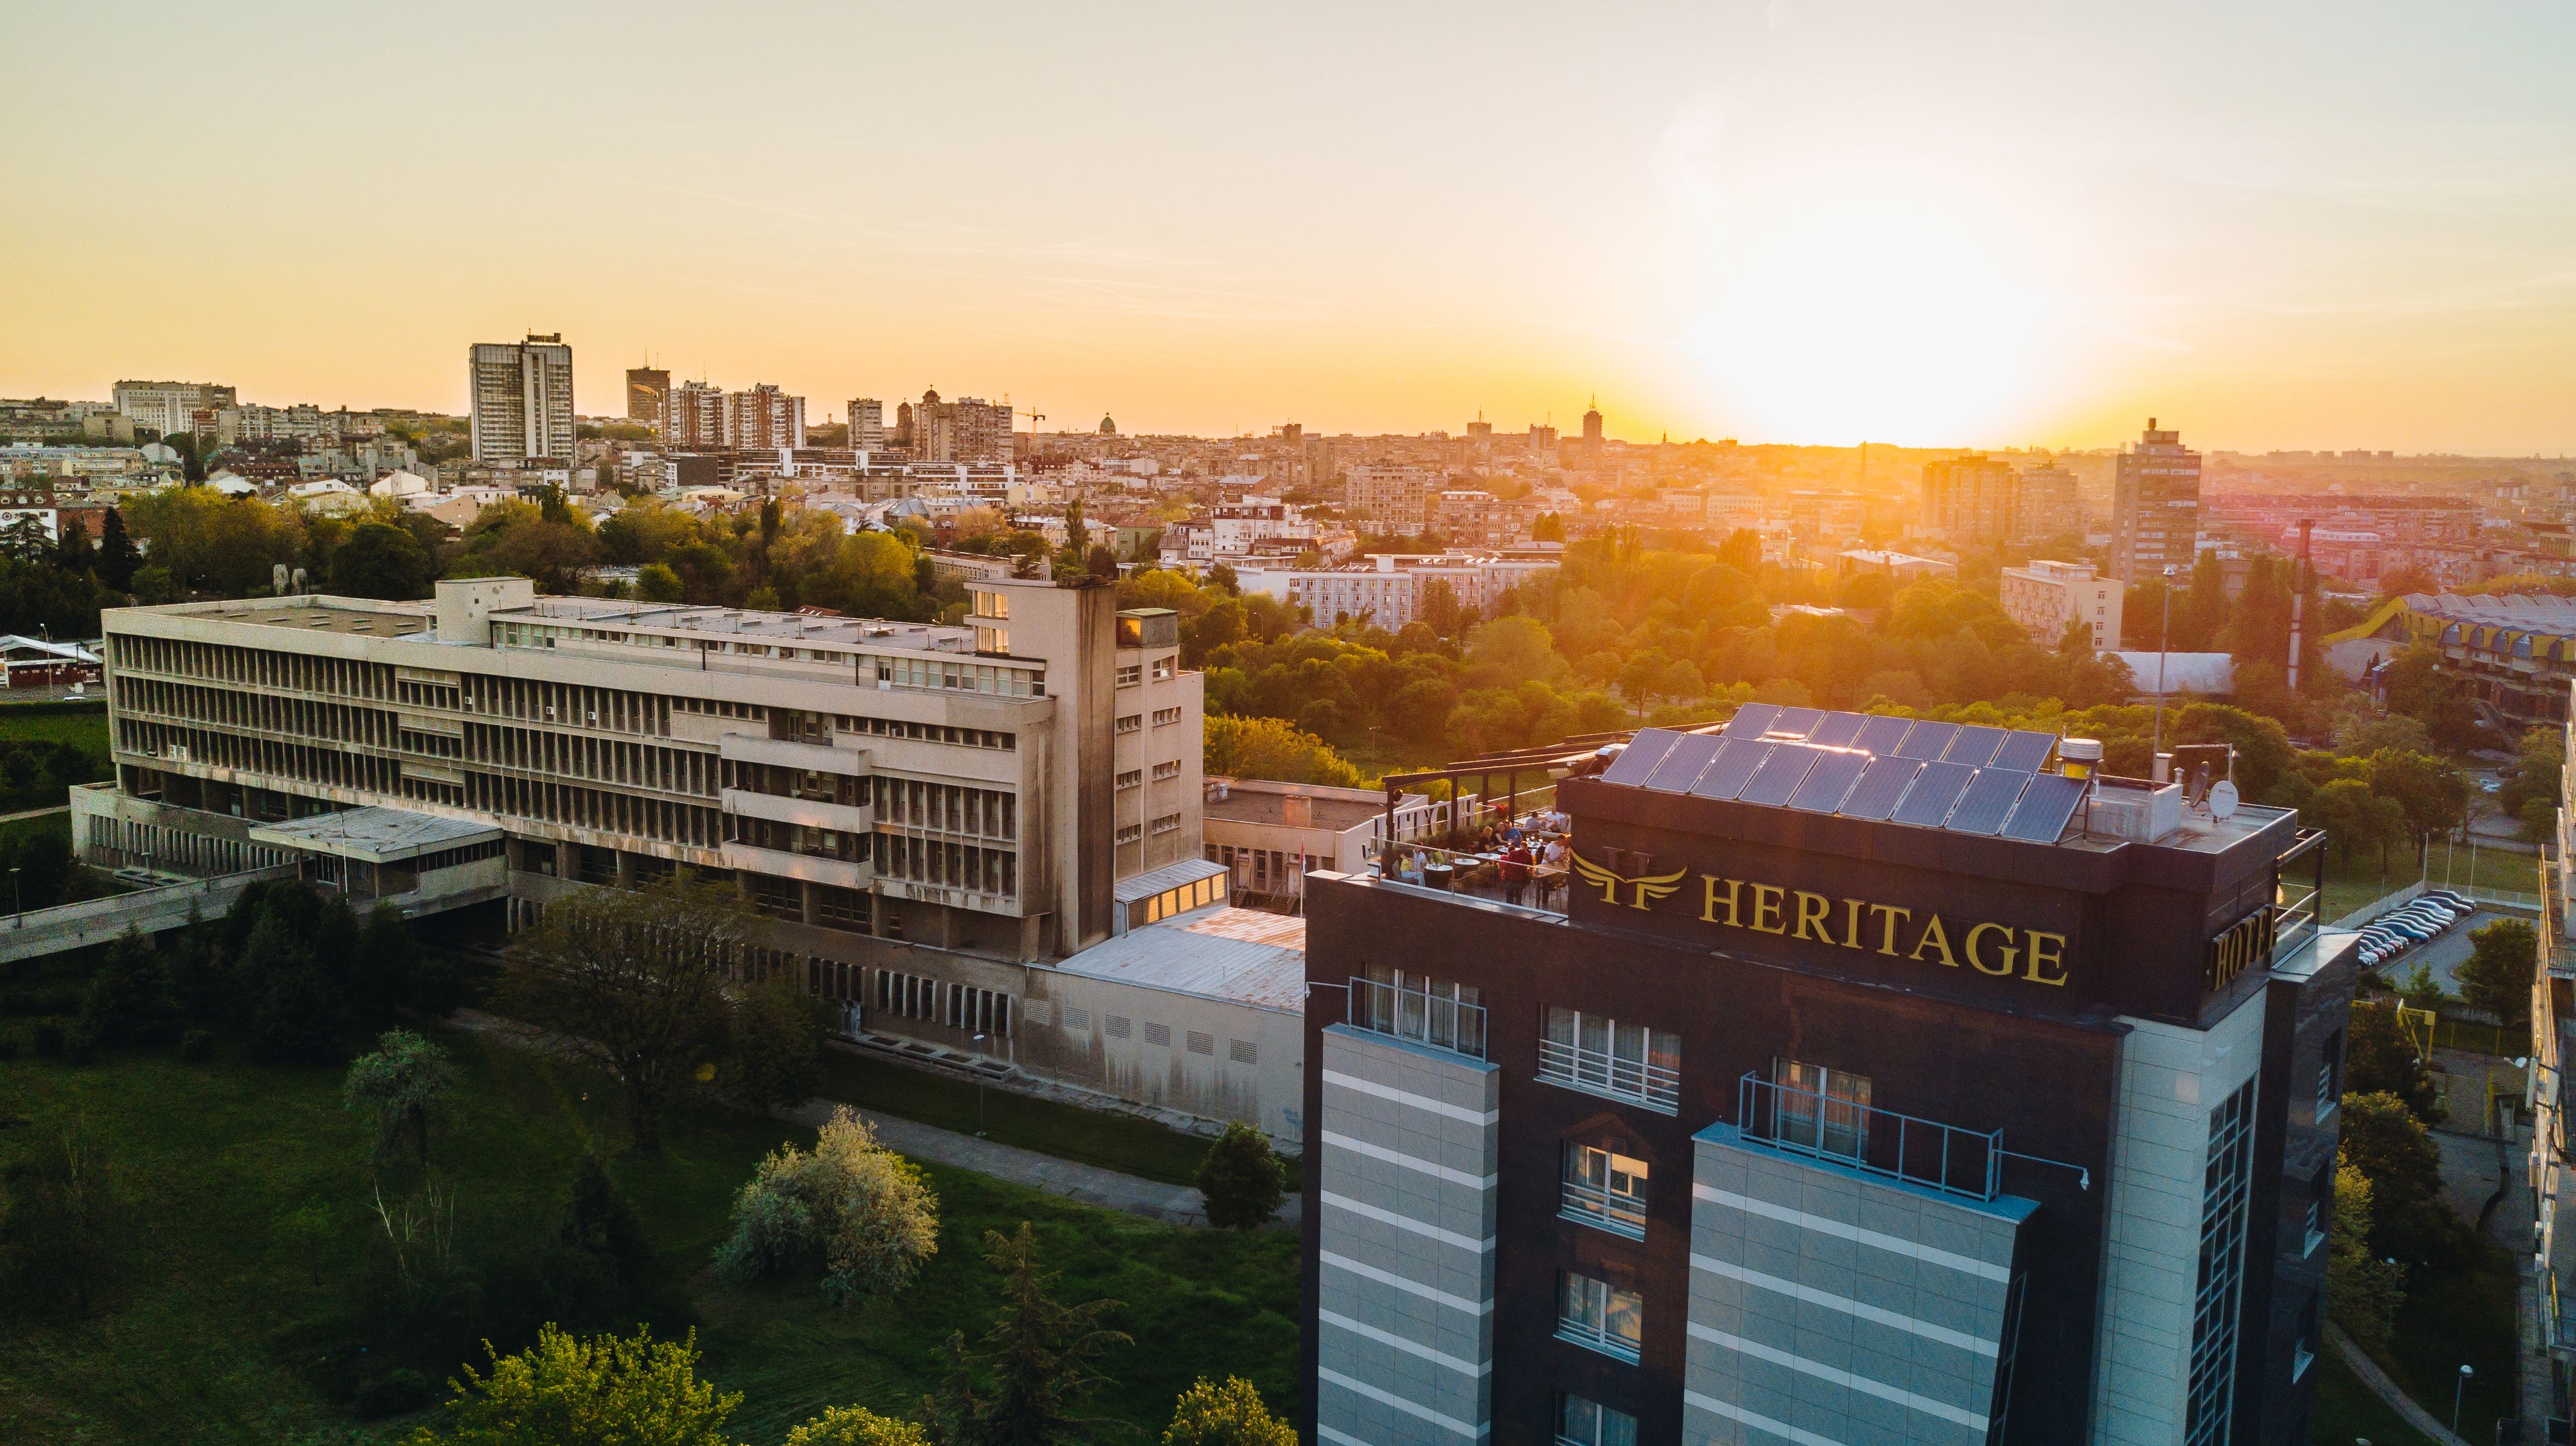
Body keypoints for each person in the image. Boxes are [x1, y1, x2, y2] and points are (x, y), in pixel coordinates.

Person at [1500, 840, 1533, 907]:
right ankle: (1518, 904)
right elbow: (1530, 867)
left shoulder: (1513, 853)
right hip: (1521, 876)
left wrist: (1504, 871)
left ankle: (1509, 904)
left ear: (1520, 846)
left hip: (1511, 875)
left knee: (1509, 890)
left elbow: (1508, 864)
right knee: (1519, 890)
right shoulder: (1529, 856)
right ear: (1526, 848)